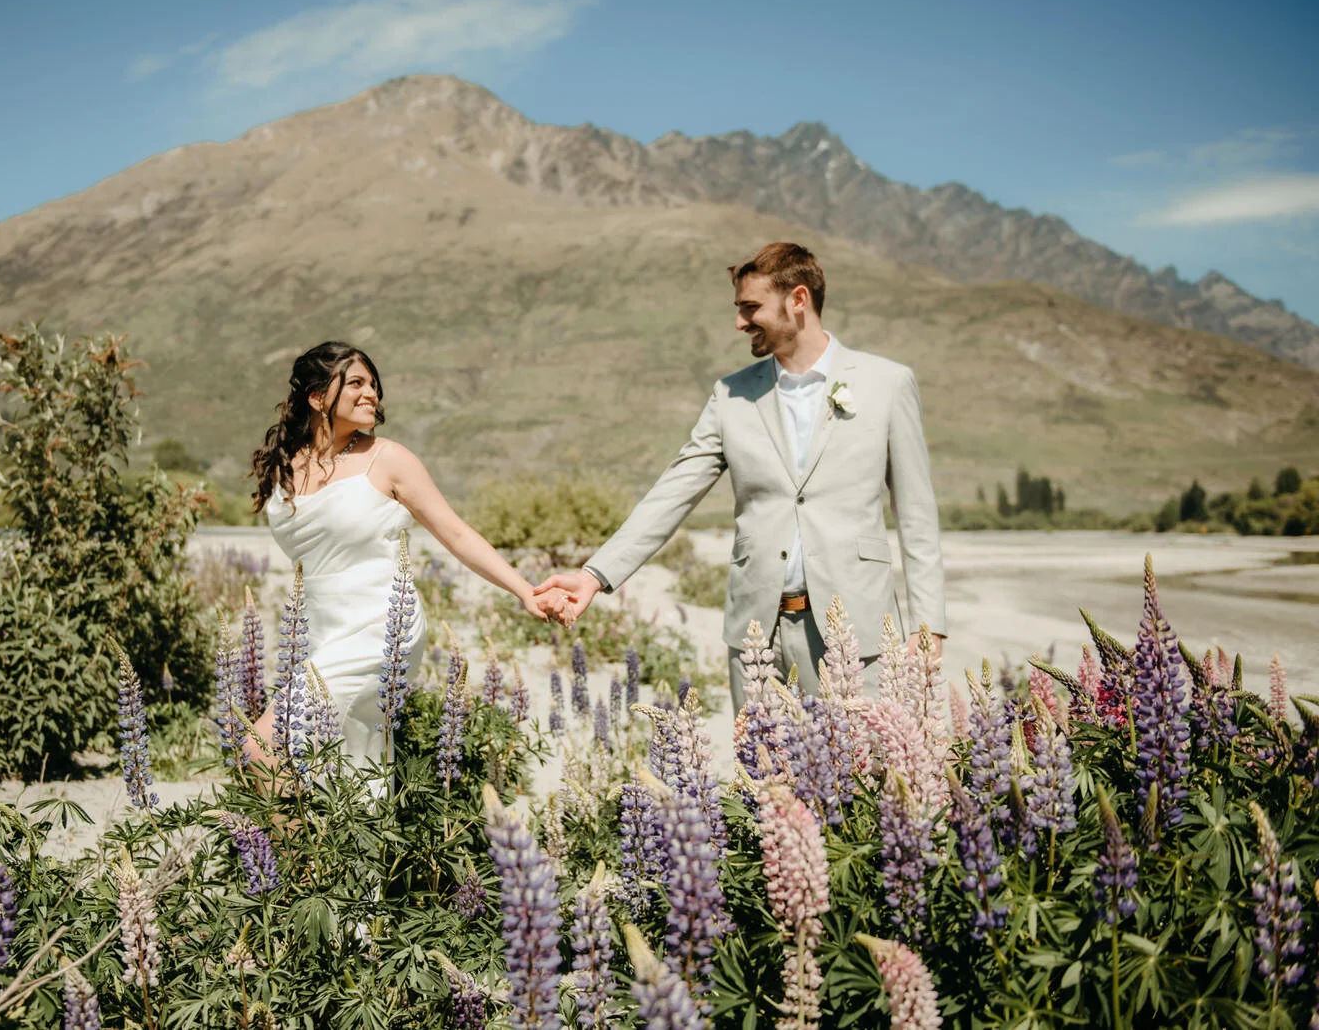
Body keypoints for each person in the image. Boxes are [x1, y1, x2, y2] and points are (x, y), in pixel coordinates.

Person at [536, 242, 946, 710]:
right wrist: (594, 576)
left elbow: (916, 514)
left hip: (861, 636)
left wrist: (929, 624)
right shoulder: (730, 395)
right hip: (757, 640)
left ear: (798, 300)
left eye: (750, 308)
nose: (739, 323)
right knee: (761, 781)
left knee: (864, 779)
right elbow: (672, 493)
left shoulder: (887, 383)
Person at [244, 341, 554, 772]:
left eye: (373, 384)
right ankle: (345, 840)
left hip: (380, 626)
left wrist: (525, 590)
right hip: (321, 630)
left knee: (262, 747)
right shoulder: (287, 465)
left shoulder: (387, 459)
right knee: (331, 767)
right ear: (317, 398)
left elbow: (456, 532)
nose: (371, 392)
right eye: (356, 382)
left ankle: (290, 843)